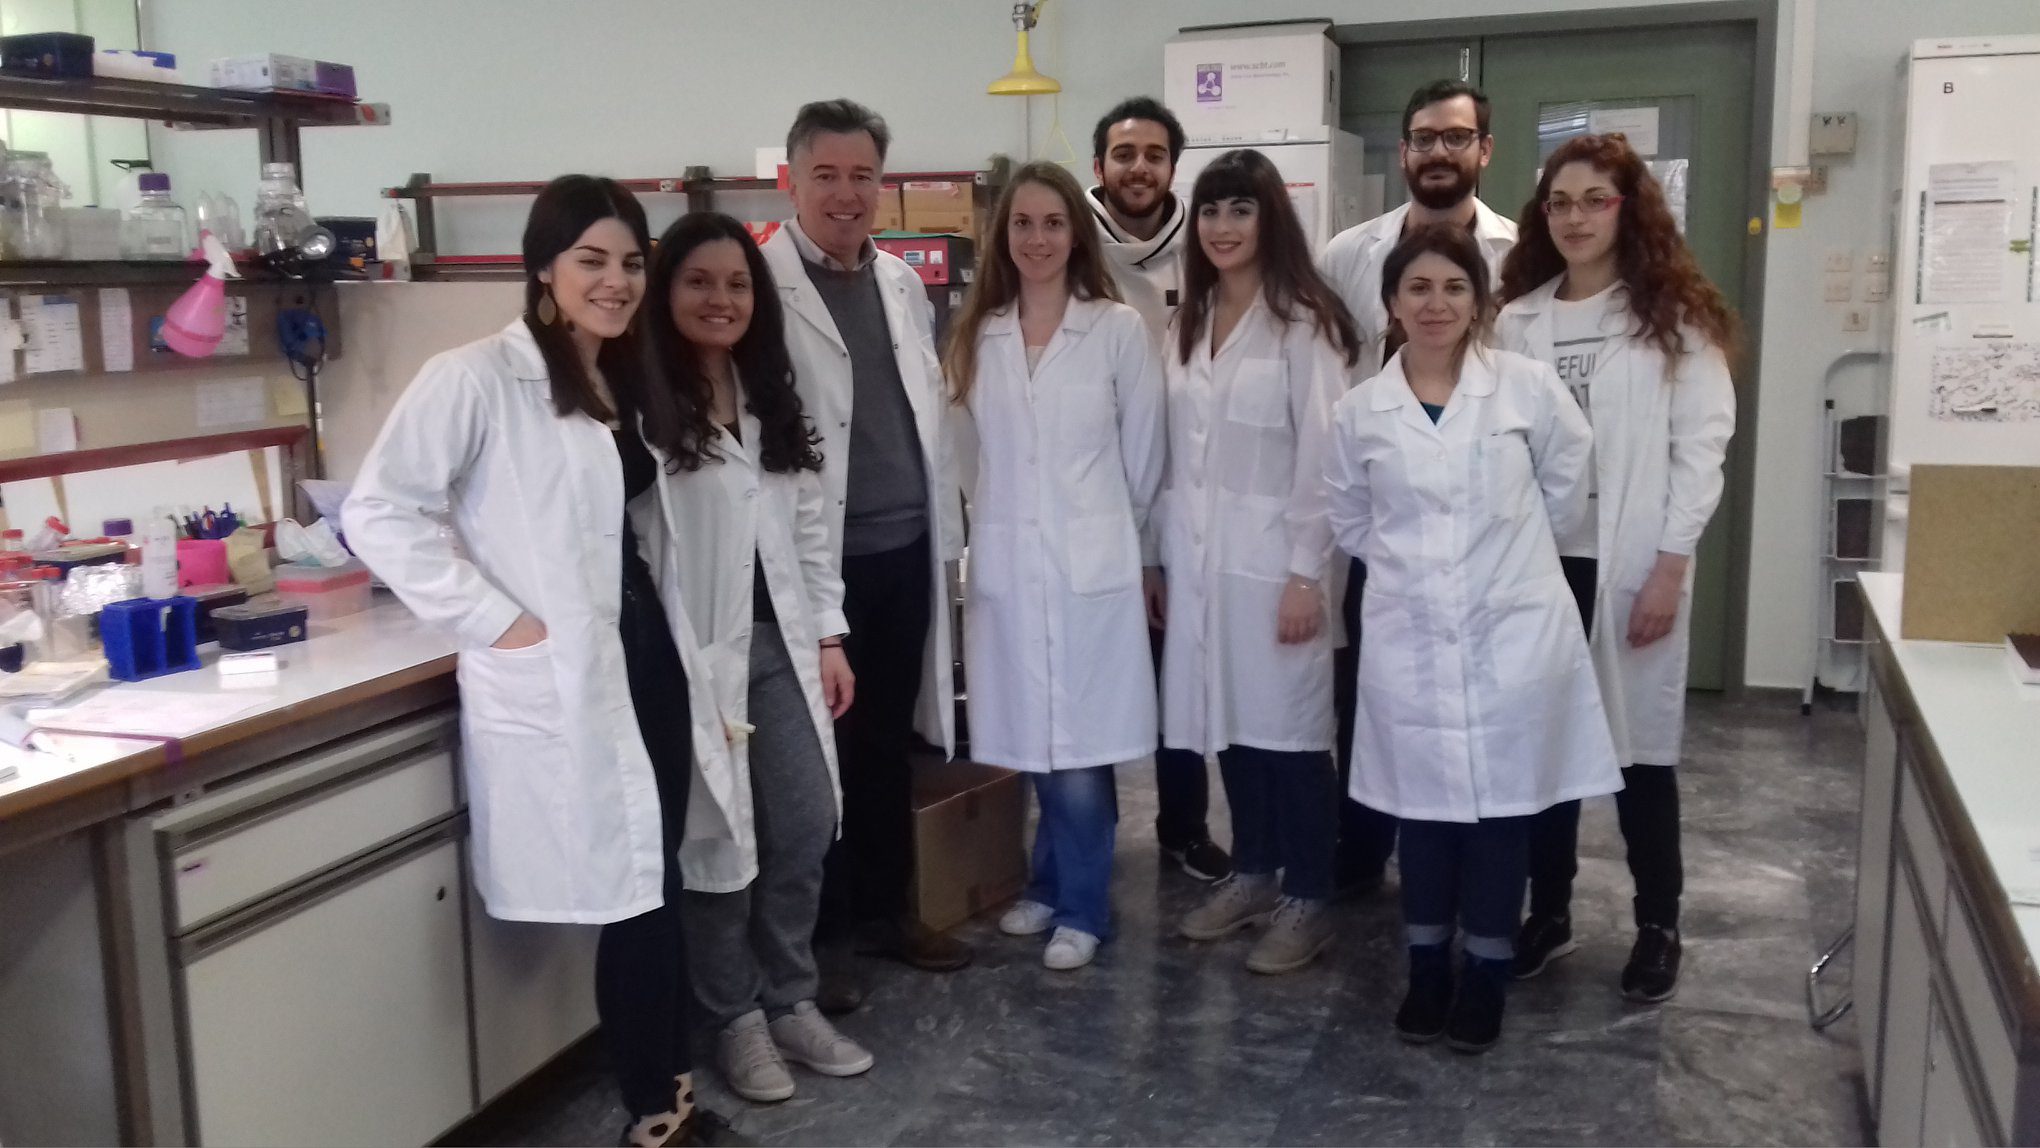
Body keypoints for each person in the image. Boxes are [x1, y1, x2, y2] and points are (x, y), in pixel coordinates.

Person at [343, 176, 737, 1147]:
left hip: (644, 658)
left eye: (631, 263)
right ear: (543, 269)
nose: (616, 281)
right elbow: (378, 511)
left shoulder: (619, 376)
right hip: (564, 669)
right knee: (637, 897)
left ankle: (672, 1096)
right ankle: (658, 1114)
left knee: (656, 880)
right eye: (591, 261)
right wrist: (497, 621)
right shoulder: (475, 377)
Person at [1324, 222, 1620, 1053]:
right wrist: (1424, 570)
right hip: (1410, 633)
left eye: (1454, 287)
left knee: (1501, 813)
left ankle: (1486, 973)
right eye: (1417, 288)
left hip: (1512, 632)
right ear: (1391, 303)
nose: (1436, 303)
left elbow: (1566, 486)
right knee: (1421, 812)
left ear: (1480, 301)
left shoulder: (1525, 389)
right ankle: (1426, 970)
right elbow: (1349, 516)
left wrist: (1497, 564)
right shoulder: (1360, 410)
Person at [631, 212, 872, 1102]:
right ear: (666, 292)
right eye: (699, 282)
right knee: (720, 842)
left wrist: (830, 636)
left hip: (784, 646)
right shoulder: (641, 407)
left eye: (737, 284)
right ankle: (734, 1019)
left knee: (804, 823)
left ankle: (790, 998)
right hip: (697, 656)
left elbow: (809, 531)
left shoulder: (768, 393)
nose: (720, 299)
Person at [1496, 133, 1738, 1003]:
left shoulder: (1672, 319)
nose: (1575, 218)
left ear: (1627, 209)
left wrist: (1670, 569)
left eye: (1594, 200)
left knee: (1640, 758)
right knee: (1544, 750)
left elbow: (1700, 451)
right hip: (1538, 564)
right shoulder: (1516, 320)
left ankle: (1658, 924)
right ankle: (1550, 913)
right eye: (1559, 202)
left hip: (1632, 562)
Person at [757, 100, 971, 1009]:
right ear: (791, 182)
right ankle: (825, 935)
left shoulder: (900, 283)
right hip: (818, 563)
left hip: (905, 548)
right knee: (822, 755)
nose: (846, 194)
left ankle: (887, 908)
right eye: (826, 175)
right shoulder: (761, 287)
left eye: (862, 176)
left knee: (888, 741)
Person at [944, 161, 1165, 971]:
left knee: (1079, 749)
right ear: (1002, 235)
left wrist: (1128, 545)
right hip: (1010, 561)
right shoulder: (980, 333)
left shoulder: (1115, 329)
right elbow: (965, 455)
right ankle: (1045, 884)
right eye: (1022, 224)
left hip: (1090, 565)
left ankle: (1084, 907)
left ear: (1077, 233)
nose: (1037, 239)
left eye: (1052, 223)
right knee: (1032, 740)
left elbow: (1145, 456)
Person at [1318, 78, 1521, 899]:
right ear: (1403, 152)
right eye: (1424, 138)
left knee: (1472, 703)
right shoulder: (1346, 255)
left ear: (1484, 150)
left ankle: (1467, 862)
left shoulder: (1519, 256)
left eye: (1456, 137)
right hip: (1382, 520)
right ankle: (1361, 850)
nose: (1439, 152)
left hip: (1480, 530)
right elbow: (1327, 371)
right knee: (1369, 692)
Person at [1157, 149, 1356, 975]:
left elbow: (1326, 459)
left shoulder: (1306, 322)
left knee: (1292, 736)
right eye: (1210, 209)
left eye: (1241, 208)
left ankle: (1309, 896)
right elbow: (1175, 457)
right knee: (1231, 725)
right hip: (1203, 565)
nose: (1223, 226)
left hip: (1280, 567)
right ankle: (1253, 871)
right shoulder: (1189, 321)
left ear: (1272, 218)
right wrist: (1163, 563)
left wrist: (1307, 573)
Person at [1086, 94, 1230, 884]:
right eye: (1124, 154)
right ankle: (1090, 833)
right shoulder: (1071, 248)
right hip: (1091, 497)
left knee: (1183, 677)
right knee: (1097, 674)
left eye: (1153, 155)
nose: (1138, 168)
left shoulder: (1205, 250)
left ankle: (1184, 828)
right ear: (1098, 166)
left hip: (1182, 499)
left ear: (1173, 167)